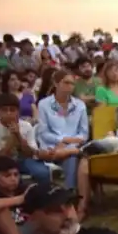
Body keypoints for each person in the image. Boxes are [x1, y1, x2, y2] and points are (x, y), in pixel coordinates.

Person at [35, 69, 91, 210]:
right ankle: (70, 193)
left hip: (74, 147)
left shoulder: (79, 105)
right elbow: (43, 132)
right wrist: (63, 140)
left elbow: (84, 133)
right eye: (66, 83)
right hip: (50, 147)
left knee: (71, 155)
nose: (70, 86)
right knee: (71, 154)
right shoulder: (44, 104)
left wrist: (67, 142)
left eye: (72, 83)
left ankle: (69, 193)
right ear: (56, 83)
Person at [0, 93, 49, 183]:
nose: (9, 113)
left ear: (18, 111)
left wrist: (18, 135)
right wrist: (12, 137)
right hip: (0, 163)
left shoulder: (26, 126)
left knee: (42, 173)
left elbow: (31, 153)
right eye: (4, 110)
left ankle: (43, 195)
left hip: (23, 160)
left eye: (12, 110)